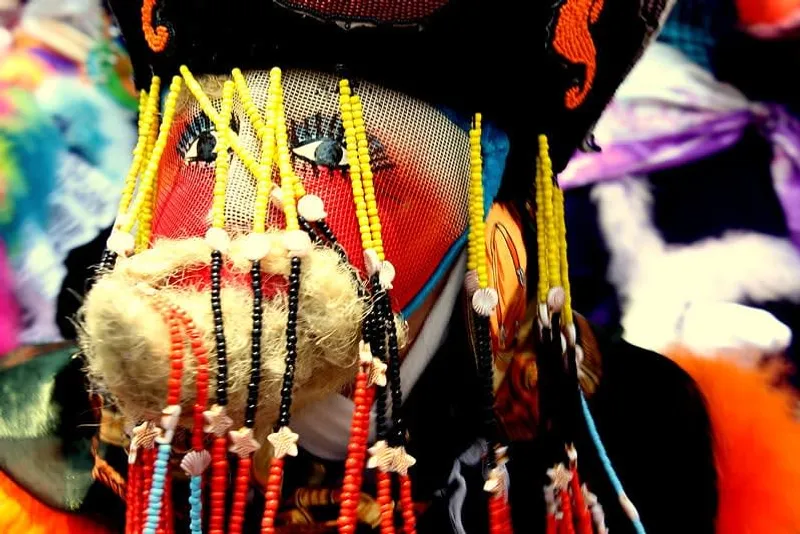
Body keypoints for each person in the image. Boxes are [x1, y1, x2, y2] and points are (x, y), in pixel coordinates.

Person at [2, 1, 800, 533]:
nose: (236, 216)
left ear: (492, 237)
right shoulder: (29, 455)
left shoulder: (637, 451)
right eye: (206, 144)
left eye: (329, 150)